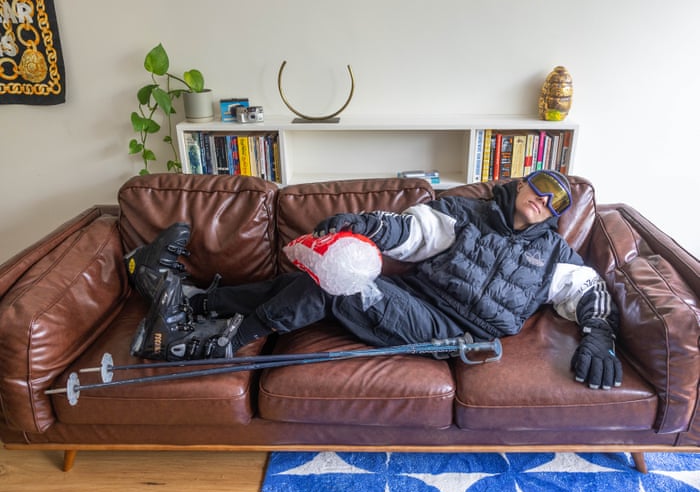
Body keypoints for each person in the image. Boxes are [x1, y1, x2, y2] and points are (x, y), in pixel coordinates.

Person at [125, 170, 623, 390]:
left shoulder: (553, 254)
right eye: (541, 187)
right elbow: (410, 231)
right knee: (332, 269)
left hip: (456, 334)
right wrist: (362, 225)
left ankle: (213, 345)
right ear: (523, 183)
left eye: (557, 201)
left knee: (340, 276)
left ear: (557, 213)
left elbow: (590, 291)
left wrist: (600, 336)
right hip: (415, 298)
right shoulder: (464, 214)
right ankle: (195, 303)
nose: (545, 200)